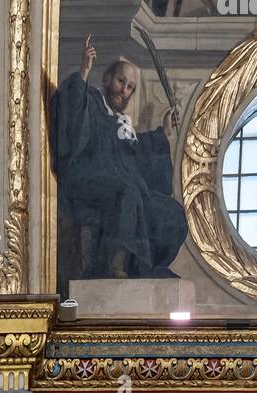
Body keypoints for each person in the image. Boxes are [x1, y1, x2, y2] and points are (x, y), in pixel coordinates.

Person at [51, 36, 188, 279]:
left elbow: (137, 157)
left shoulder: (123, 124)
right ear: (106, 79)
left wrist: (162, 133)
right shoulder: (92, 102)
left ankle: (144, 267)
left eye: (130, 87)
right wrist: (83, 72)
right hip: (87, 178)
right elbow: (71, 113)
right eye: (120, 81)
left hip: (124, 184)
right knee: (128, 193)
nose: (124, 90)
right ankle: (116, 264)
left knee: (172, 213)